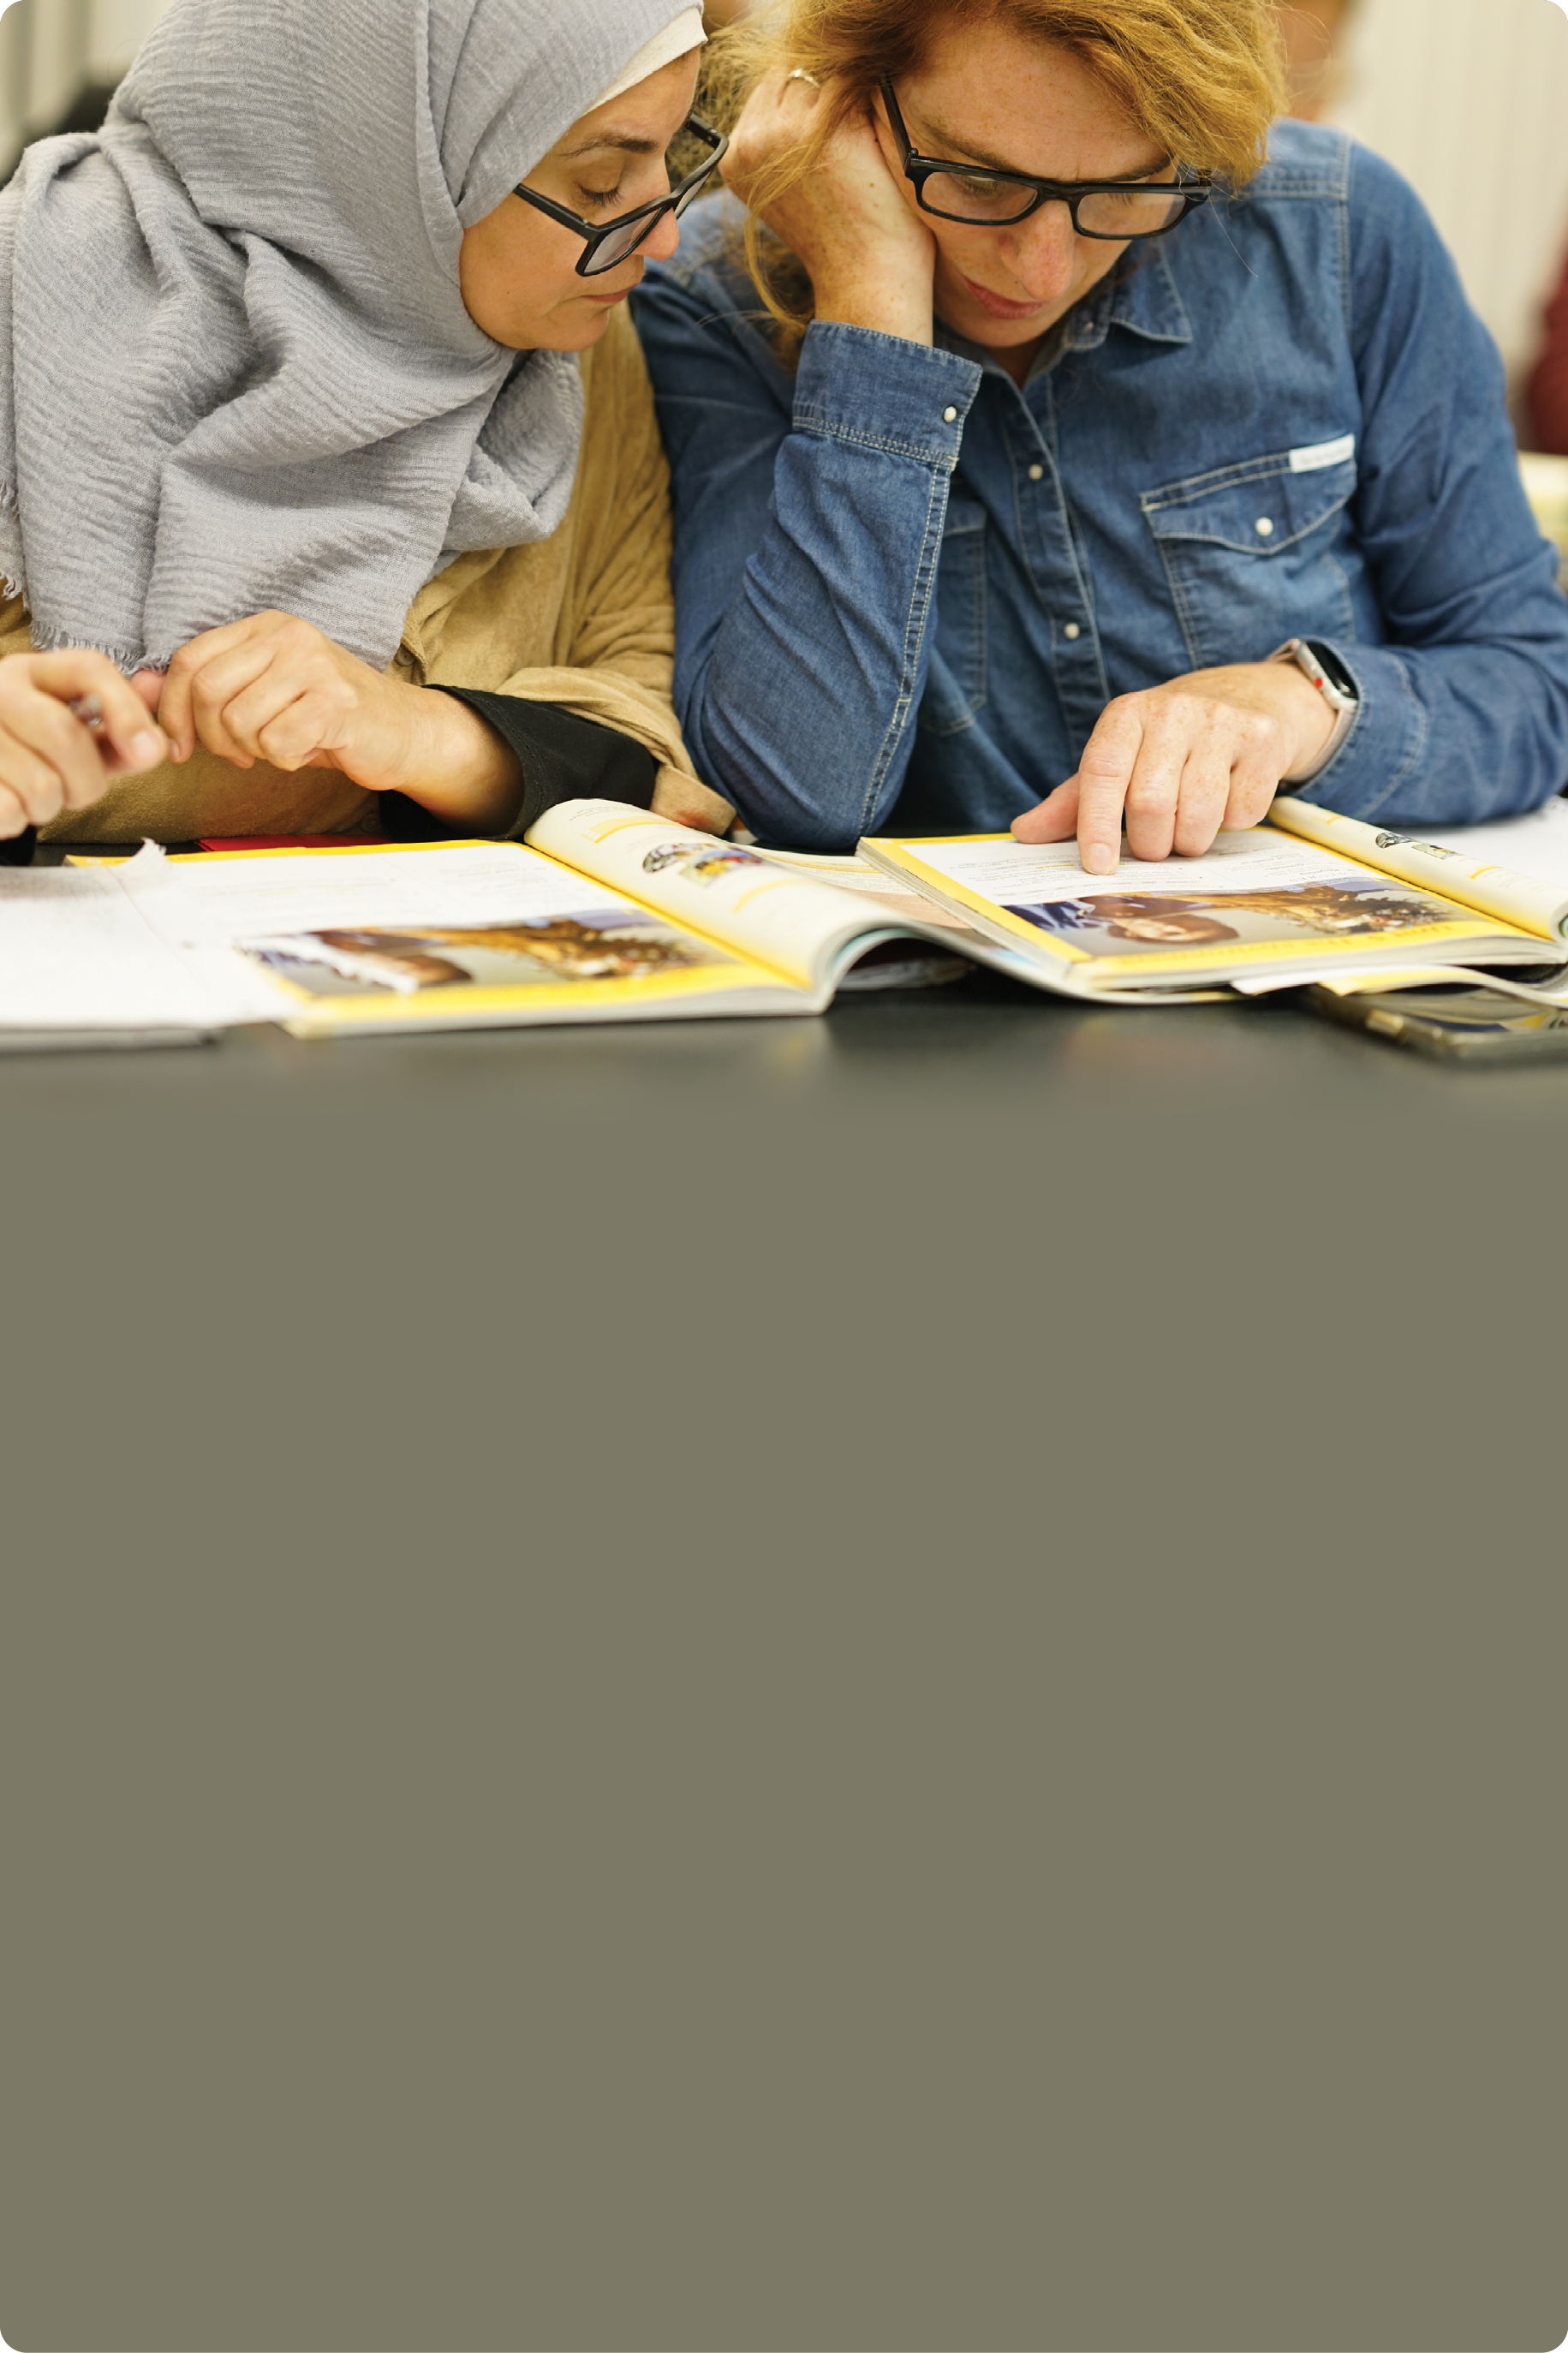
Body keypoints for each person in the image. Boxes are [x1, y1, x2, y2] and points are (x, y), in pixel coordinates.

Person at [632, 0, 1568, 868]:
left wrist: (1297, 704)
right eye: (978, 180)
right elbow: (797, 796)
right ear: (852, 96)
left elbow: (1531, 684)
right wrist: (872, 310)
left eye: (1124, 192)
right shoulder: (710, 305)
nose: (1040, 267)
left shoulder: (1335, 235)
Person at [0, 0, 735, 846]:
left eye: (675, 153)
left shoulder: (579, 343)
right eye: (603, 181)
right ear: (383, 158)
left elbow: (641, 733)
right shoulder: (28, 309)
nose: (666, 237)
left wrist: (420, 732)